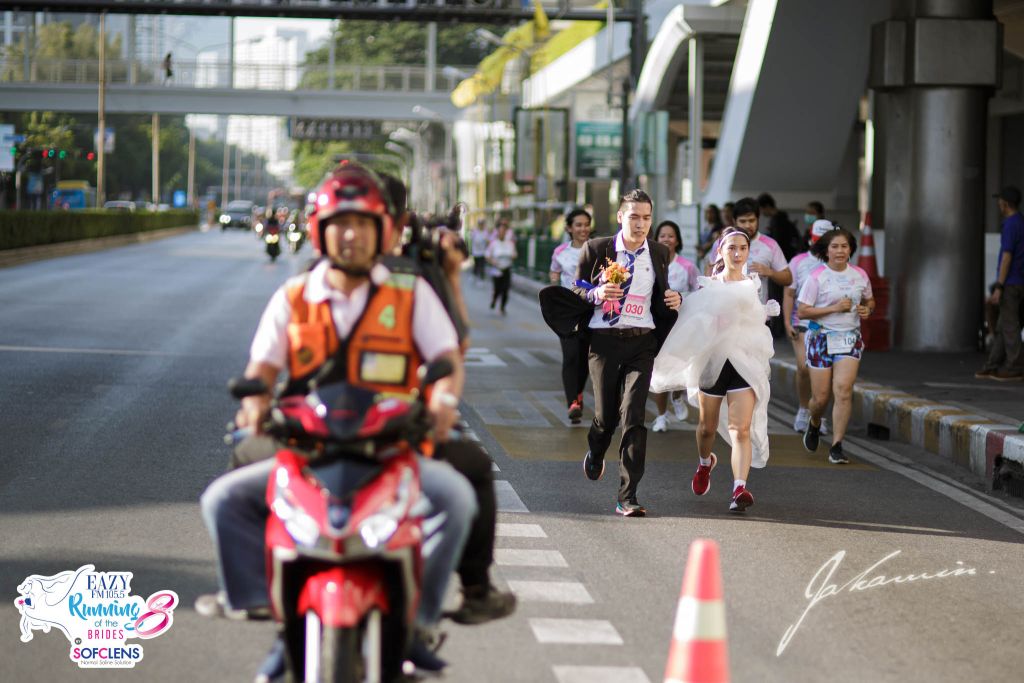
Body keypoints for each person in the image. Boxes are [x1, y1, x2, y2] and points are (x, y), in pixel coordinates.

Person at [195, 166, 492, 678]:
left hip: (394, 446)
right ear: (319, 230)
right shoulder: (292, 296)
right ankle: (259, 604)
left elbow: (448, 356)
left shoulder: (410, 292)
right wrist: (256, 402)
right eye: (339, 223)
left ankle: (420, 620)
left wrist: (443, 400)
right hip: (309, 449)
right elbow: (261, 369)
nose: (350, 234)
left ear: (382, 230)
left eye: (362, 223)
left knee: (458, 497)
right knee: (223, 499)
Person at [652, 227, 778, 513]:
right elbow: (694, 317)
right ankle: (705, 463)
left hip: (744, 365)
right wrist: (681, 303)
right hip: (713, 364)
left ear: (748, 252)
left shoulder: (752, 285)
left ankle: (739, 488)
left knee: (740, 428)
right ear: (720, 252)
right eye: (731, 248)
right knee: (707, 428)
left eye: (742, 248)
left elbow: (752, 324)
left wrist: (765, 312)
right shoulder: (709, 285)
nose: (737, 253)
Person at [572, 190, 681, 517]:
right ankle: (595, 450)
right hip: (604, 341)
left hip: (642, 342)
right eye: (634, 216)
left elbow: (662, 293)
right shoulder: (597, 249)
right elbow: (575, 288)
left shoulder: (659, 252)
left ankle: (627, 495)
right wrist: (596, 292)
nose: (641, 224)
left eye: (647, 217)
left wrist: (675, 300)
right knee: (606, 418)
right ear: (621, 217)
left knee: (634, 417)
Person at [797, 226, 875, 465]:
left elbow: (870, 300)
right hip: (821, 338)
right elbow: (803, 311)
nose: (840, 251)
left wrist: (867, 309)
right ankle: (815, 421)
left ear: (851, 249)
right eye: (835, 247)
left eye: (844, 246)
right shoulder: (816, 276)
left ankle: (837, 444)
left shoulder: (860, 275)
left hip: (849, 338)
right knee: (820, 398)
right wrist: (833, 308)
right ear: (826, 251)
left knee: (843, 390)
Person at [784, 219, 834, 432]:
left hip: (831, 324)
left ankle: (819, 414)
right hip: (803, 321)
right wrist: (787, 322)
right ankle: (804, 408)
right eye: (817, 239)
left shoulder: (839, 261)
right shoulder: (798, 262)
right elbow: (789, 293)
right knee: (804, 367)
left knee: (824, 370)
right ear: (810, 238)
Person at [650, 220, 700, 432]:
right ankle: (661, 416)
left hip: (681, 326)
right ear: (657, 239)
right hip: (656, 324)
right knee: (658, 370)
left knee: (680, 369)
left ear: (677, 240)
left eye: (671, 236)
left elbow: (700, 293)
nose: (666, 239)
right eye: (663, 236)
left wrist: (681, 298)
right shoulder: (649, 264)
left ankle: (677, 396)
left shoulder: (687, 267)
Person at [549, 208, 594, 423]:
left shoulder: (598, 248)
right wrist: (555, 292)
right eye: (578, 225)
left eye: (586, 224)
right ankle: (572, 403)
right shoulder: (560, 252)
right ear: (569, 228)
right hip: (568, 310)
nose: (583, 228)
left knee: (584, 356)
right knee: (570, 355)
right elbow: (554, 274)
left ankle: (578, 395)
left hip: (592, 308)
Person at [976, 186, 1024, 381]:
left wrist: (999, 286)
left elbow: (1006, 257)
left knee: (1010, 327)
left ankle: (1015, 367)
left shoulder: (1010, 225)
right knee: (1003, 326)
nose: (998, 204)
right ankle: (992, 365)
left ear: (1005, 203)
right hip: (1019, 281)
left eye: (999, 201)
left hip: (1011, 283)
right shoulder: (1021, 222)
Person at [705, 197, 793, 303]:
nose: (747, 225)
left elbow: (788, 279)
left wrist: (769, 272)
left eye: (751, 220)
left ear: (758, 219)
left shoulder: (770, 245)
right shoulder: (722, 243)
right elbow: (709, 274)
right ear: (734, 221)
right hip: (727, 312)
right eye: (742, 221)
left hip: (758, 315)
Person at [485, 220, 516, 315]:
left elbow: (514, 254)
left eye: (504, 231)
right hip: (496, 270)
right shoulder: (493, 243)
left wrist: (513, 256)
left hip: (506, 269)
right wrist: (492, 261)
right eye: (500, 231)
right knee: (497, 289)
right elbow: (487, 256)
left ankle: (502, 307)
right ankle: (494, 300)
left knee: (505, 289)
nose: (502, 233)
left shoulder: (510, 243)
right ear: (498, 232)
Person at [757, 193, 801, 260]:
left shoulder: (778, 221)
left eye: (761, 209)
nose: (762, 213)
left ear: (767, 206)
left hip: (784, 257)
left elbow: (777, 242)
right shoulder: (782, 219)